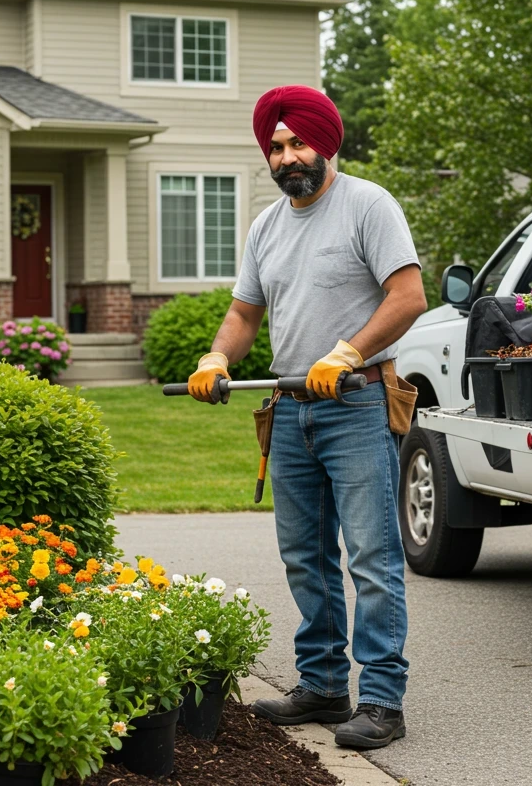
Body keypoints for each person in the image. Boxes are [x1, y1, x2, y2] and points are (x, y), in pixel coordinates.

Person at [186, 84, 427, 748]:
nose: (287, 156)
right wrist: (215, 357)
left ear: (326, 143)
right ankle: (323, 685)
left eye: (297, 143)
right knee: (305, 558)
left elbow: (408, 297)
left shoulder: (367, 206)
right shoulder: (266, 226)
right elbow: (244, 313)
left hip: (355, 405)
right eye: (275, 147)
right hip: (291, 412)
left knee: (372, 558)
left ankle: (382, 701)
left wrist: (350, 350)